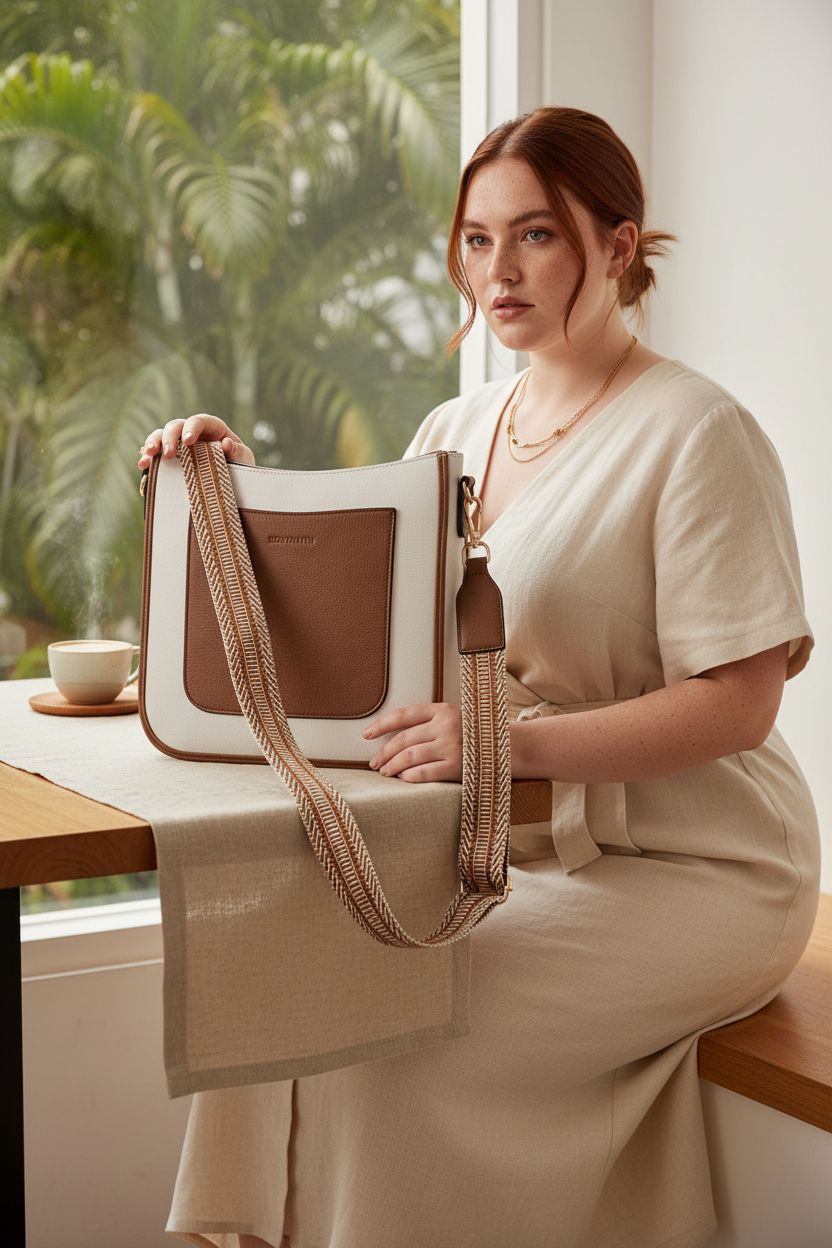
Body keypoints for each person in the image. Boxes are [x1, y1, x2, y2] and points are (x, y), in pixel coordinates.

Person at [139, 106, 820, 1248]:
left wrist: (510, 747)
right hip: (513, 846)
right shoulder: (459, 424)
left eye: (536, 237)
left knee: (401, 1032)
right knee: (283, 979)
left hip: (699, 870)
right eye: (474, 239)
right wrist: (231, 492)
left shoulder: (697, 430)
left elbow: (742, 703)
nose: (496, 272)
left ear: (616, 243)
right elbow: (367, 623)